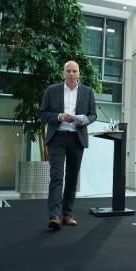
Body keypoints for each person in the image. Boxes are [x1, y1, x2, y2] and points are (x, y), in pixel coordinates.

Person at [40, 61, 96, 230]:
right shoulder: (52, 90)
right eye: (68, 71)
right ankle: (55, 216)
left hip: (76, 138)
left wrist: (80, 120)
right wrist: (59, 117)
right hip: (57, 138)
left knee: (72, 178)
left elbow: (93, 115)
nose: (71, 74)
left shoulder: (87, 92)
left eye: (74, 71)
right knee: (57, 176)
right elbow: (43, 114)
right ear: (63, 72)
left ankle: (67, 214)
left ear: (79, 73)